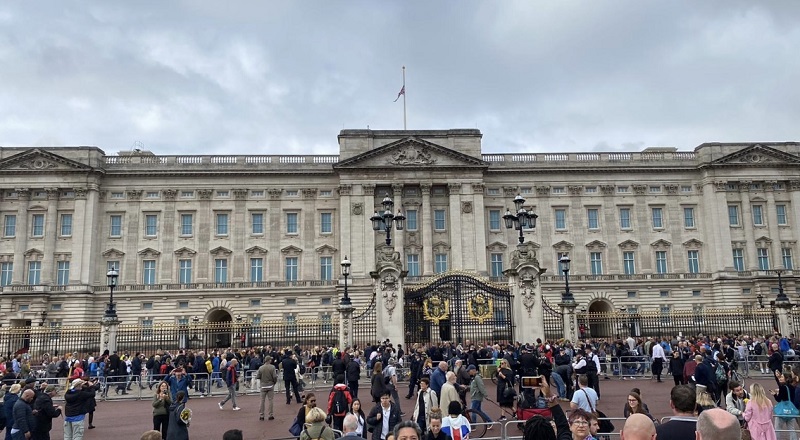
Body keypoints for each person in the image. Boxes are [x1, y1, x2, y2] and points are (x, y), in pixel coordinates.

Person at [771, 373, 798, 439]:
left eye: (782, 377)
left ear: (786, 379)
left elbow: (779, 399)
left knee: (778, 428)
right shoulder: (792, 387)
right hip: (790, 411)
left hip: (782, 412)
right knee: (791, 428)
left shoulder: (782, 387)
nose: (780, 378)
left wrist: (774, 394)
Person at [256, 355, 278, 421]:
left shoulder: (261, 368)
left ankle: (261, 415)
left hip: (263, 385)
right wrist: (274, 382)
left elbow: (258, 376)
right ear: (269, 360)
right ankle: (270, 415)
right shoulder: (272, 367)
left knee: (262, 400)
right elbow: (274, 376)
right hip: (270, 385)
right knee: (270, 400)